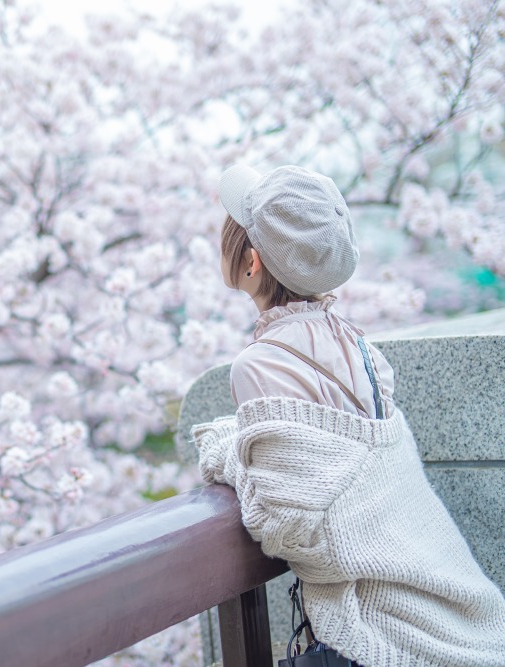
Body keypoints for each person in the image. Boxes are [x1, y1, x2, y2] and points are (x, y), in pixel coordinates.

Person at [191, 164, 505, 666]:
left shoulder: (261, 364)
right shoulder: (360, 348)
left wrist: (227, 453)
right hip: (444, 609)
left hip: (378, 637)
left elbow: (286, 524)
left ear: (251, 262)